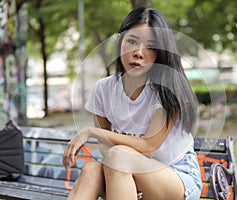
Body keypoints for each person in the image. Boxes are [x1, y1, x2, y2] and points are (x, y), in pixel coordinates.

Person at [62, 7, 202, 200]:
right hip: (125, 170)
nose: (138, 53)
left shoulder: (167, 89)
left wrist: (91, 131)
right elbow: (106, 147)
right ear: (120, 41)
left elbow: (149, 146)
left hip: (177, 179)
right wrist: (124, 177)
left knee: (119, 155)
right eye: (132, 41)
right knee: (91, 170)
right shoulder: (104, 89)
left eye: (151, 47)